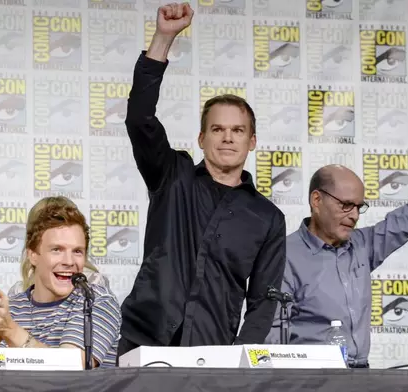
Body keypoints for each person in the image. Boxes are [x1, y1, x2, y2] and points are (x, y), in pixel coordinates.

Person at [118, 2, 286, 360]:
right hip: (142, 344)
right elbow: (139, 118)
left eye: (238, 130)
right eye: (218, 129)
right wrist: (163, 39)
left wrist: (238, 362)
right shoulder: (171, 175)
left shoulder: (268, 218)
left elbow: (262, 304)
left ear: (251, 141)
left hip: (212, 355)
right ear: (201, 138)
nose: (227, 138)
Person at [265, 138, 408, 368]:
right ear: (317, 200)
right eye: (346, 205)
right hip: (309, 380)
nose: (354, 215)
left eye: (359, 207)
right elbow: (271, 337)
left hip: (362, 376)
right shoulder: (284, 256)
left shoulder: (362, 245)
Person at [0, 196, 121, 369]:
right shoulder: (10, 311)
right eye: (57, 250)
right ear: (32, 254)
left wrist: (11, 332)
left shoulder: (96, 300)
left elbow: (71, 367)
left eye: (77, 251)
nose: (69, 261)